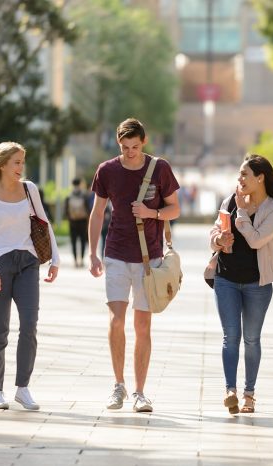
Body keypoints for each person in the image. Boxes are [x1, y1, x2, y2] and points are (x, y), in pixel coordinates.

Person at [88, 118, 180, 413]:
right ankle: (118, 386)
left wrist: (150, 213)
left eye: (135, 147)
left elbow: (175, 208)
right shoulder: (107, 171)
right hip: (115, 254)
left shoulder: (159, 168)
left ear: (144, 141)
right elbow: (97, 213)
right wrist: (93, 253)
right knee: (116, 320)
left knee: (143, 326)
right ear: (119, 143)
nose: (130, 152)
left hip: (148, 259)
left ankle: (140, 392)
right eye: (125, 147)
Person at [0, 141, 60, 411]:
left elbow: (44, 223)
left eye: (22, 162)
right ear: (3, 164)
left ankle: (23, 388)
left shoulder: (30, 190)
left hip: (28, 262)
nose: (21, 167)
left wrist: (56, 258)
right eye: (16, 162)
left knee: (29, 324)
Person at [209, 154, 273, 415]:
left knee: (252, 339)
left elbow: (256, 241)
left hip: (258, 283)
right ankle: (230, 391)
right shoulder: (228, 201)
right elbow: (213, 236)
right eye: (239, 174)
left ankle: (249, 394)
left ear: (260, 177)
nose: (240, 179)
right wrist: (219, 241)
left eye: (245, 174)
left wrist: (242, 214)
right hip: (226, 279)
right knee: (230, 337)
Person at [64, 178, 90, 268]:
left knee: (74, 242)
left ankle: (75, 261)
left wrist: (70, 218)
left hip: (72, 222)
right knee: (83, 241)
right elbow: (88, 209)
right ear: (80, 184)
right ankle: (82, 260)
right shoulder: (84, 195)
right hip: (82, 222)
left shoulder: (69, 196)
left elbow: (66, 211)